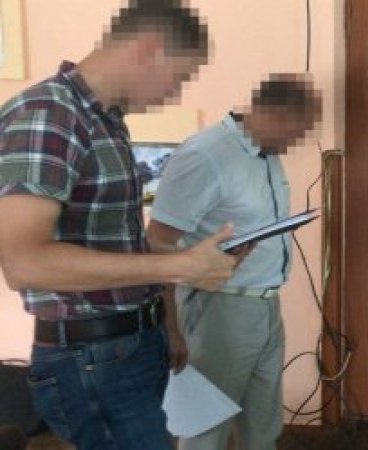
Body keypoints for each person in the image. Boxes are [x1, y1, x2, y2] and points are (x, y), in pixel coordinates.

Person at [0, 2, 240, 450]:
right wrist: (178, 267)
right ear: (148, 50)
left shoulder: (104, 121)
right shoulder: (47, 114)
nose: (174, 93)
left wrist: (179, 281)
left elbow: (114, 244)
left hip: (129, 343)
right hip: (91, 359)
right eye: (179, 77)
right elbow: (24, 263)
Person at [146, 73, 322, 450]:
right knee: (206, 430)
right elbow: (157, 243)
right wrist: (170, 327)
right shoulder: (205, 154)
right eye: (298, 130)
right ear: (275, 115)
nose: (297, 141)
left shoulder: (264, 154)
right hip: (217, 309)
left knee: (263, 428)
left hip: (265, 306)